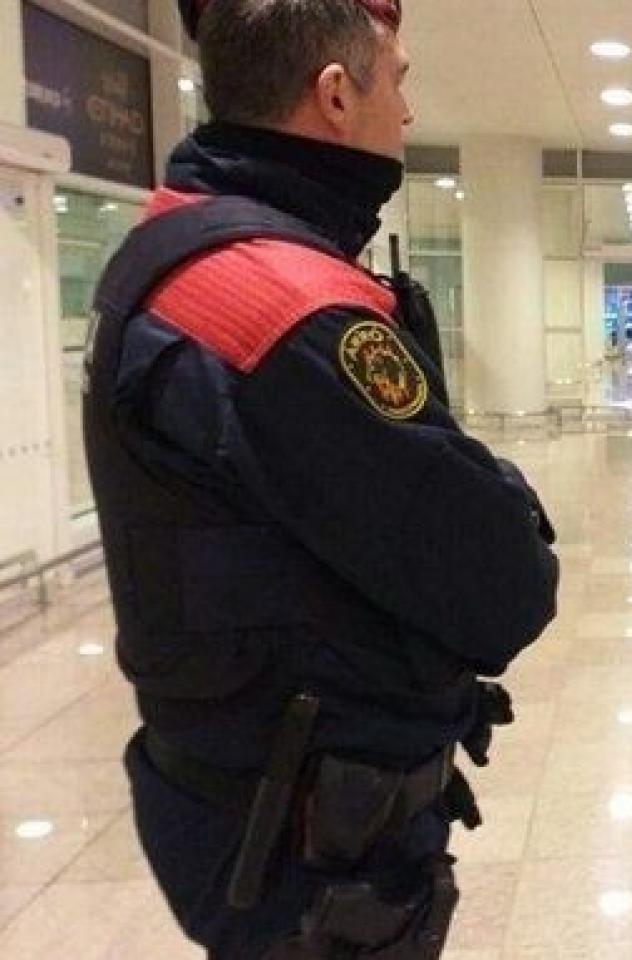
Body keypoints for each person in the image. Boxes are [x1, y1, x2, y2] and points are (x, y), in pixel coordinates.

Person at [82, 2, 560, 957]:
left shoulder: (168, 247)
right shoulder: (283, 310)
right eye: (401, 79)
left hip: (233, 785)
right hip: (308, 844)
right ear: (336, 95)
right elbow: (504, 584)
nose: (409, 110)